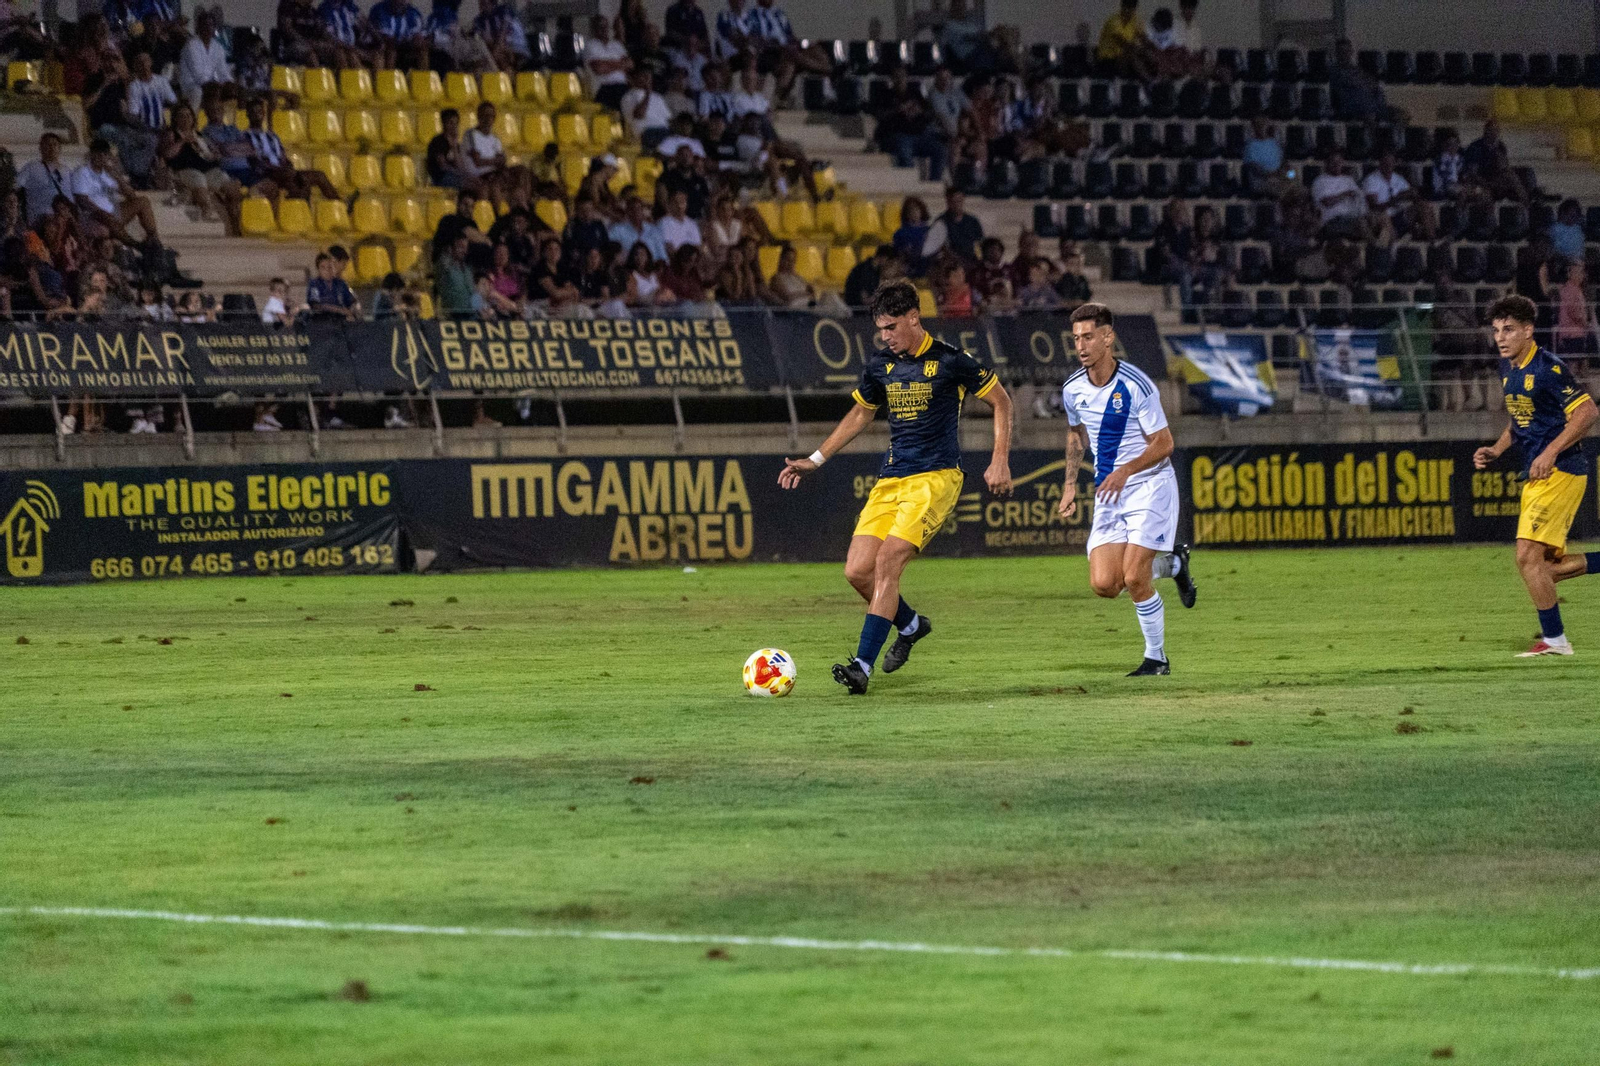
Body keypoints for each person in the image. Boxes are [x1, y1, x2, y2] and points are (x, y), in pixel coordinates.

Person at [777, 280, 1013, 695]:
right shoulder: (881, 365)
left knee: (887, 562)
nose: (884, 336)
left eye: (891, 327)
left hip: (935, 479)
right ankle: (911, 625)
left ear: (913, 318)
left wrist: (999, 459)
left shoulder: (951, 360)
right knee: (857, 571)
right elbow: (859, 414)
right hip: (891, 479)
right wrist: (815, 459)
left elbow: (1002, 401)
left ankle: (862, 666)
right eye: (880, 329)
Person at [1058, 303, 1197, 675]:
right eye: (1076, 338)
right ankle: (1175, 564)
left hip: (1150, 485)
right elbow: (1076, 434)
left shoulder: (1136, 384)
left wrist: (1126, 471)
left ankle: (1157, 659)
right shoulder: (1072, 389)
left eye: (1088, 337)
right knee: (1105, 584)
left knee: (1134, 576)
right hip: (1110, 492)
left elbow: (1164, 443)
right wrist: (1069, 485)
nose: (1081, 346)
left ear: (1108, 337)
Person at [1472, 295, 1600, 656]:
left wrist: (1550, 451)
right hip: (1538, 474)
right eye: (1497, 330)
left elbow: (1588, 412)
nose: (1501, 337)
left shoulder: (1548, 368)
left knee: (1527, 558)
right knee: (1545, 568)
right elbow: (1520, 420)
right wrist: (1497, 449)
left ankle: (1556, 641)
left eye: (1509, 329)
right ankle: (1554, 639)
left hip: (1561, 471)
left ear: (1528, 331)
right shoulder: (1507, 368)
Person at [159, 104, 244, 235]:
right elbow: (168, 154)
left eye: (188, 115)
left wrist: (214, 154)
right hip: (186, 168)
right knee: (199, 182)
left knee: (233, 191)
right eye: (182, 116)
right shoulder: (172, 134)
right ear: (175, 119)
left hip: (208, 168)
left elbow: (209, 154)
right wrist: (183, 141)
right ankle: (207, 215)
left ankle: (236, 225)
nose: (186, 119)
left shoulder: (200, 135)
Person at [242, 95, 341, 201]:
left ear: (264, 114)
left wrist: (288, 166)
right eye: (253, 112)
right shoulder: (245, 136)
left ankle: (341, 204)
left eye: (260, 112)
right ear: (248, 114)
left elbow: (282, 156)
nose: (257, 115)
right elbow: (254, 162)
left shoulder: (272, 136)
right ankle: (298, 205)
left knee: (318, 176)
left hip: (283, 172)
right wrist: (277, 168)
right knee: (299, 183)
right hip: (265, 174)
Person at [71, 138, 161, 247]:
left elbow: (131, 195)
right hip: (93, 215)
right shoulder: (82, 172)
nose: (101, 157)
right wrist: (102, 212)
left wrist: (116, 176)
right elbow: (82, 200)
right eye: (98, 154)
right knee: (109, 218)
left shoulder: (108, 174)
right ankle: (139, 246)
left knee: (143, 201)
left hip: (113, 212)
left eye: (104, 154)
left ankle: (155, 242)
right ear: (91, 154)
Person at [177, 10, 234, 111]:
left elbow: (223, 72)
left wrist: (229, 82)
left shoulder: (218, 47)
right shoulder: (191, 45)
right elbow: (198, 75)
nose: (208, 28)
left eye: (211, 25)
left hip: (211, 85)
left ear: (214, 28)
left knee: (233, 90)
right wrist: (215, 85)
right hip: (191, 86)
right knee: (198, 92)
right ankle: (193, 119)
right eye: (205, 25)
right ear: (199, 27)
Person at [1310, 152, 1373, 242]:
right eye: (1333, 162)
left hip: (1353, 217)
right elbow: (1327, 203)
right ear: (1327, 163)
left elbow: (1360, 198)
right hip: (1332, 221)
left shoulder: (1348, 180)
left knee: (1379, 220)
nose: (1336, 165)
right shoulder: (1320, 181)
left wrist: (1365, 214)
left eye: (1339, 162)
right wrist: (1345, 194)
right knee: (1362, 225)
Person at [17, 133, 74, 226]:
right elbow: (16, 187)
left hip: (66, 220)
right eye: (48, 144)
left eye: (55, 144)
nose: (52, 148)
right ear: (41, 148)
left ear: (59, 148)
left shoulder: (67, 171)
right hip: (41, 220)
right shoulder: (31, 168)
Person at [1096, 0, 1155, 81]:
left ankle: (1158, 78)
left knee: (1149, 54)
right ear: (1122, 7)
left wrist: (1152, 49)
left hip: (1124, 59)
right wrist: (1141, 50)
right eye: (1126, 8)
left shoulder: (1135, 21)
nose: (1128, 11)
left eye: (1131, 9)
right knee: (1131, 53)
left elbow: (1143, 38)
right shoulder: (1113, 22)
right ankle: (1148, 80)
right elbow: (1124, 44)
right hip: (1107, 60)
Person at [922, 188, 984, 264]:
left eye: (959, 201)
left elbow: (979, 243)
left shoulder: (973, 221)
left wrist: (980, 259)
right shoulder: (941, 222)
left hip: (971, 260)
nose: (956, 204)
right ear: (948, 202)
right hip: (951, 262)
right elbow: (939, 246)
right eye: (953, 201)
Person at [462, 101, 509, 200]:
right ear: (478, 116)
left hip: (493, 176)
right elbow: (478, 162)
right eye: (485, 115)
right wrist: (496, 161)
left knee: (521, 173)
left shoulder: (495, 139)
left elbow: (501, 162)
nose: (488, 119)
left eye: (491, 116)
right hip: (477, 177)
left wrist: (495, 162)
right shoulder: (471, 135)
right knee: (490, 189)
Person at [584, 14, 632, 109]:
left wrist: (606, 63)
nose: (603, 29)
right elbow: (599, 69)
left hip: (622, 86)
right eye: (600, 26)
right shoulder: (591, 45)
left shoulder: (616, 45)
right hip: (604, 88)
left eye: (605, 26)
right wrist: (620, 64)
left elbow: (630, 64)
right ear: (594, 29)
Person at [621, 68, 673, 150]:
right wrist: (647, 94)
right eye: (644, 76)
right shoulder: (629, 96)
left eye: (649, 77)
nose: (648, 79)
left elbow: (669, 119)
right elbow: (639, 115)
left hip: (664, 131)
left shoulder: (658, 97)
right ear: (634, 78)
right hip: (646, 133)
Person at [609, 195, 668, 264]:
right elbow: (611, 251)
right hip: (628, 267)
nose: (636, 212)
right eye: (632, 209)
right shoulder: (617, 230)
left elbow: (662, 255)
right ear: (627, 212)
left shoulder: (653, 230)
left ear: (642, 211)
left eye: (639, 208)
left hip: (652, 267)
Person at [370, 0, 427, 71]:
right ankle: (389, 76)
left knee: (422, 48)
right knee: (390, 49)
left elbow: (418, 35)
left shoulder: (414, 13)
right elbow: (384, 37)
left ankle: (423, 76)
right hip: (382, 44)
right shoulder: (379, 10)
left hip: (405, 45)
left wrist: (417, 40)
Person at [1554, 260, 1594, 356]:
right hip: (1572, 333)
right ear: (1570, 274)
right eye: (1578, 272)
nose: (1581, 276)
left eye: (1582, 273)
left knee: (1583, 360)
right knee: (1574, 361)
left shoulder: (1576, 289)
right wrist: (1586, 324)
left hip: (1577, 332)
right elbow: (1574, 312)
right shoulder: (1570, 290)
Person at [307, 251, 360, 319]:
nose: (327, 271)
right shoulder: (314, 284)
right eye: (323, 268)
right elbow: (316, 305)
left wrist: (353, 310)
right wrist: (339, 310)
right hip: (321, 320)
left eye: (329, 267)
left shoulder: (341, 284)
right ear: (318, 269)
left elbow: (352, 301)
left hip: (341, 320)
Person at [435, 233, 475, 316]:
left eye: (465, 248)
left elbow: (472, 291)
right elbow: (443, 262)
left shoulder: (467, 269)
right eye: (460, 247)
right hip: (452, 315)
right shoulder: (445, 267)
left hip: (471, 314)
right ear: (450, 248)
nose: (464, 251)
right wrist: (448, 253)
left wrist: (481, 308)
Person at [893, 196, 931, 277]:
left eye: (916, 210)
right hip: (909, 268)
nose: (914, 213)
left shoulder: (929, 231)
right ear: (906, 214)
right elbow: (898, 253)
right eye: (910, 211)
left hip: (927, 267)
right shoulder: (900, 233)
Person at [843, 244, 888, 308]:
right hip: (858, 308)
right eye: (889, 262)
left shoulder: (873, 270)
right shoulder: (865, 271)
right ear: (883, 258)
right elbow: (865, 300)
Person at [1549, 199, 1585, 264]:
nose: (1573, 217)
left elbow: (1579, 247)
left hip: (1577, 259)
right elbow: (1556, 248)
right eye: (1571, 215)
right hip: (1562, 260)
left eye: (1576, 215)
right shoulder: (1555, 228)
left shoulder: (1577, 228)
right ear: (1563, 214)